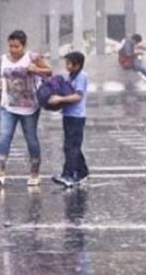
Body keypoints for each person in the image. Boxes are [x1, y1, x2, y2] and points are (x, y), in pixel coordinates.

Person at [0, 30, 52, 187]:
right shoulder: (4, 58)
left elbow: (49, 72)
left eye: (16, 46)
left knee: (31, 139)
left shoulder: (33, 57)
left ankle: (35, 172)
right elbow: (3, 77)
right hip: (8, 105)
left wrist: (36, 69)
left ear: (23, 45)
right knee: (4, 135)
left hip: (29, 107)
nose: (13, 50)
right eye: (10, 46)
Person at [49, 51, 89, 188]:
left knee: (71, 147)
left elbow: (78, 96)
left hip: (77, 117)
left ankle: (69, 175)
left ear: (77, 65)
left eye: (68, 63)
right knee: (72, 146)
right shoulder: (70, 76)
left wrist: (60, 99)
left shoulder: (81, 77)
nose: (66, 66)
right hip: (68, 115)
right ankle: (82, 171)